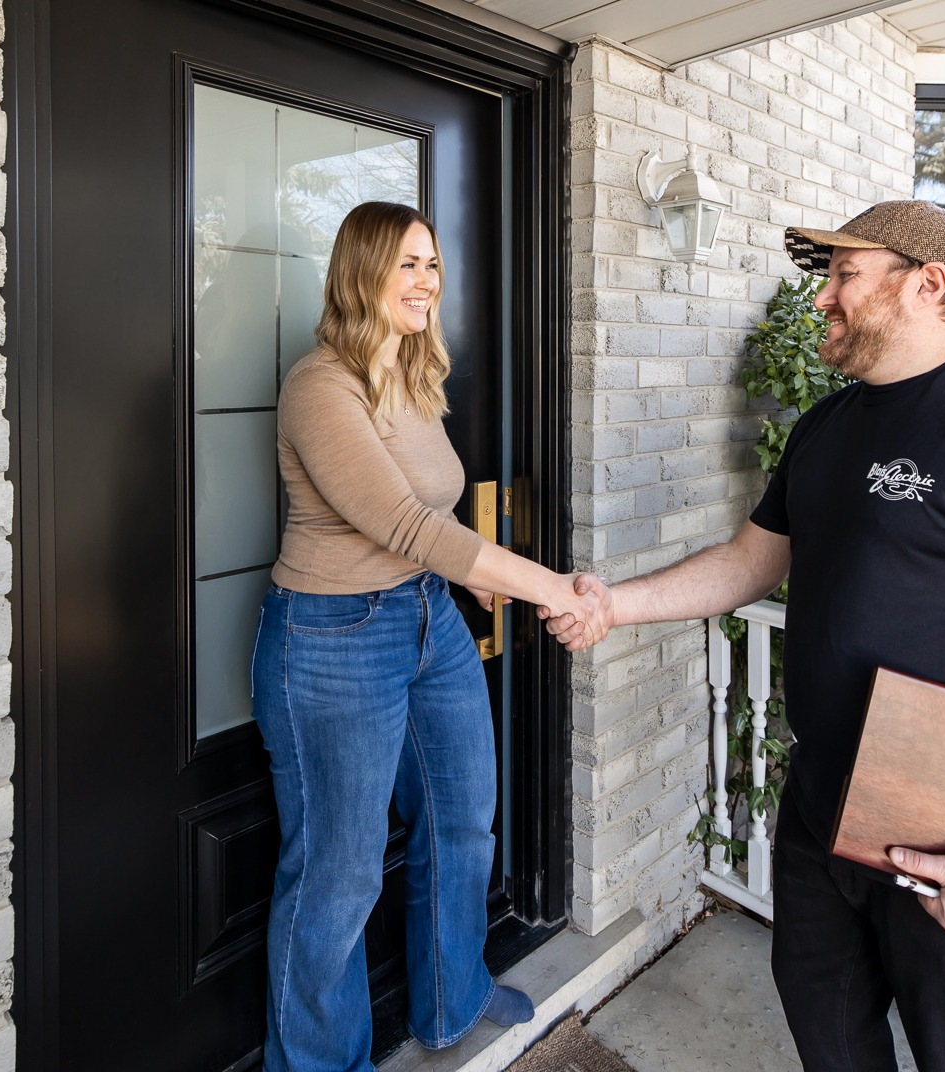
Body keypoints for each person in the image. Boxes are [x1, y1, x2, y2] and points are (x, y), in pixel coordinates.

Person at [545, 200, 945, 1072]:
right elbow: (750, 563)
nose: (823, 298)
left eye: (844, 274)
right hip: (823, 814)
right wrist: (615, 605)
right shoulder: (827, 428)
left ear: (927, 284)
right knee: (830, 1043)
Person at [252, 200, 594, 1071]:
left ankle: (453, 998)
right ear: (361, 271)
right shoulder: (318, 387)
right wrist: (547, 586)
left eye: (433, 265)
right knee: (338, 875)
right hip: (333, 638)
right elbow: (407, 525)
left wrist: (485, 586)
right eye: (407, 263)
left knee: (461, 820)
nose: (427, 281)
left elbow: (430, 530)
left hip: (427, 619)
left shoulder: (410, 377)